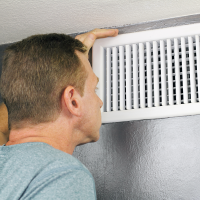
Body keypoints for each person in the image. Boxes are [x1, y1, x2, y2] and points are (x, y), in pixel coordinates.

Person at [0, 28, 118, 199]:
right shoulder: (64, 173)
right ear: (73, 101)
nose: (100, 102)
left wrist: (70, 72)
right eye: (94, 89)